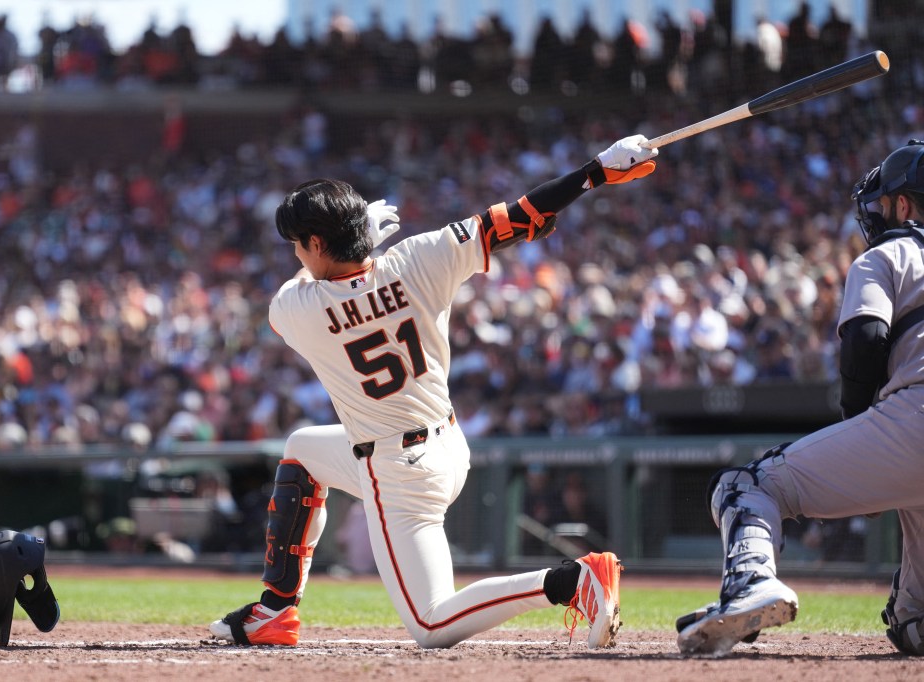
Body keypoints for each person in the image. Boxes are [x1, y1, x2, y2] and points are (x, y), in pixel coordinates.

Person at [208, 135, 659, 649]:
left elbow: (311, 277)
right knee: (303, 449)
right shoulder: (421, 256)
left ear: (315, 243)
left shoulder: (295, 308)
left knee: (430, 624)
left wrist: (357, 242)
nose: (297, 251)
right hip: (447, 444)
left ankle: (571, 581)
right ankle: (276, 610)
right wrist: (595, 170)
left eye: (299, 242)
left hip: (398, 473)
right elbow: (520, 216)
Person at [676, 140, 924, 656]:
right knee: (913, 623)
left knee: (745, 485)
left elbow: (865, 338)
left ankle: (750, 584)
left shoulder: (891, 252)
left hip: (913, 423)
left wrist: (860, 433)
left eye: (884, 204)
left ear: (903, 205)